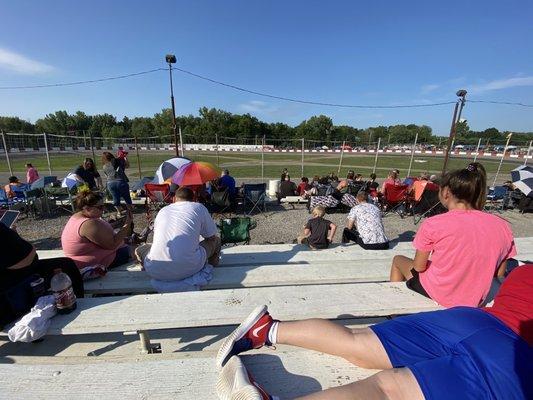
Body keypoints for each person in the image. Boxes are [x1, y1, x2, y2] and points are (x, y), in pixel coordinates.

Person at [215, 264, 533, 400]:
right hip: (515, 356)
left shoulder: (526, 270)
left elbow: (509, 273)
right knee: (389, 390)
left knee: (359, 343)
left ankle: (266, 330)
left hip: (474, 321)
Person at [390, 162, 516, 307]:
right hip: (476, 298)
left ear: (446, 193)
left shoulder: (433, 223)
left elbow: (419, 267)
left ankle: (395, 309)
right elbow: (499, 273)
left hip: (440, 292)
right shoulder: (502, 226)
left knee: (397, 259)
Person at [136, 187, 221, 292]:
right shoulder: (198, 207)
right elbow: (211, 237)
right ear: (193, 199)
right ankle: (212, 264)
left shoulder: (163, 210)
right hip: (189, 268)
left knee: (140, 249)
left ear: (174, 199)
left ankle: (143, 265)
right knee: (216, 241)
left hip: (154, 270)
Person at [0, 223, 83, 327]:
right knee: (66, 266)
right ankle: (75, 312)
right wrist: (15, 238)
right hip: (12, 295)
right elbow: (26, 257)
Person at [61, 189, 132, 270]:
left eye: (103, 205)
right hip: (92, 264)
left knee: (130, 243)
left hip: (82, 260)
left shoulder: (78, 217)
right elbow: (113, 245)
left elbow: (99, 232)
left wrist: (115, 224)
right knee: (138, 250)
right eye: (100, 207)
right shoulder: (88, 224)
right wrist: (127, 224)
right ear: (87, 208)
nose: (103, 209)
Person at [102, 151, 132, 216]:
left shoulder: (104, 166)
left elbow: (106, 176)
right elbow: (127, 166)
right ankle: (129, 211)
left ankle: (119, 212)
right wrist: (125, 158)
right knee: (127, 197)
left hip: (110, 183)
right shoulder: (118, 161)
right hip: (121, 181)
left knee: (115, 198)